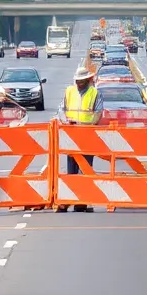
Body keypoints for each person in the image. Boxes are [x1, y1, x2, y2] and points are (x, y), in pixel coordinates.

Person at [59, 67, 99, 213]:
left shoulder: (95, 93)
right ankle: (71, 198)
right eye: (77, 81)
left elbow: (98, 113)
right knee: (72, 170)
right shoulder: (69, 91)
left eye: (81, 81)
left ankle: (82, 201)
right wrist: (66, 121)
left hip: (87, 136)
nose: (78, 83)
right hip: (72, 136)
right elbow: (62, 110)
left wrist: (88, 125)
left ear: (87, 80)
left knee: (86, 169)